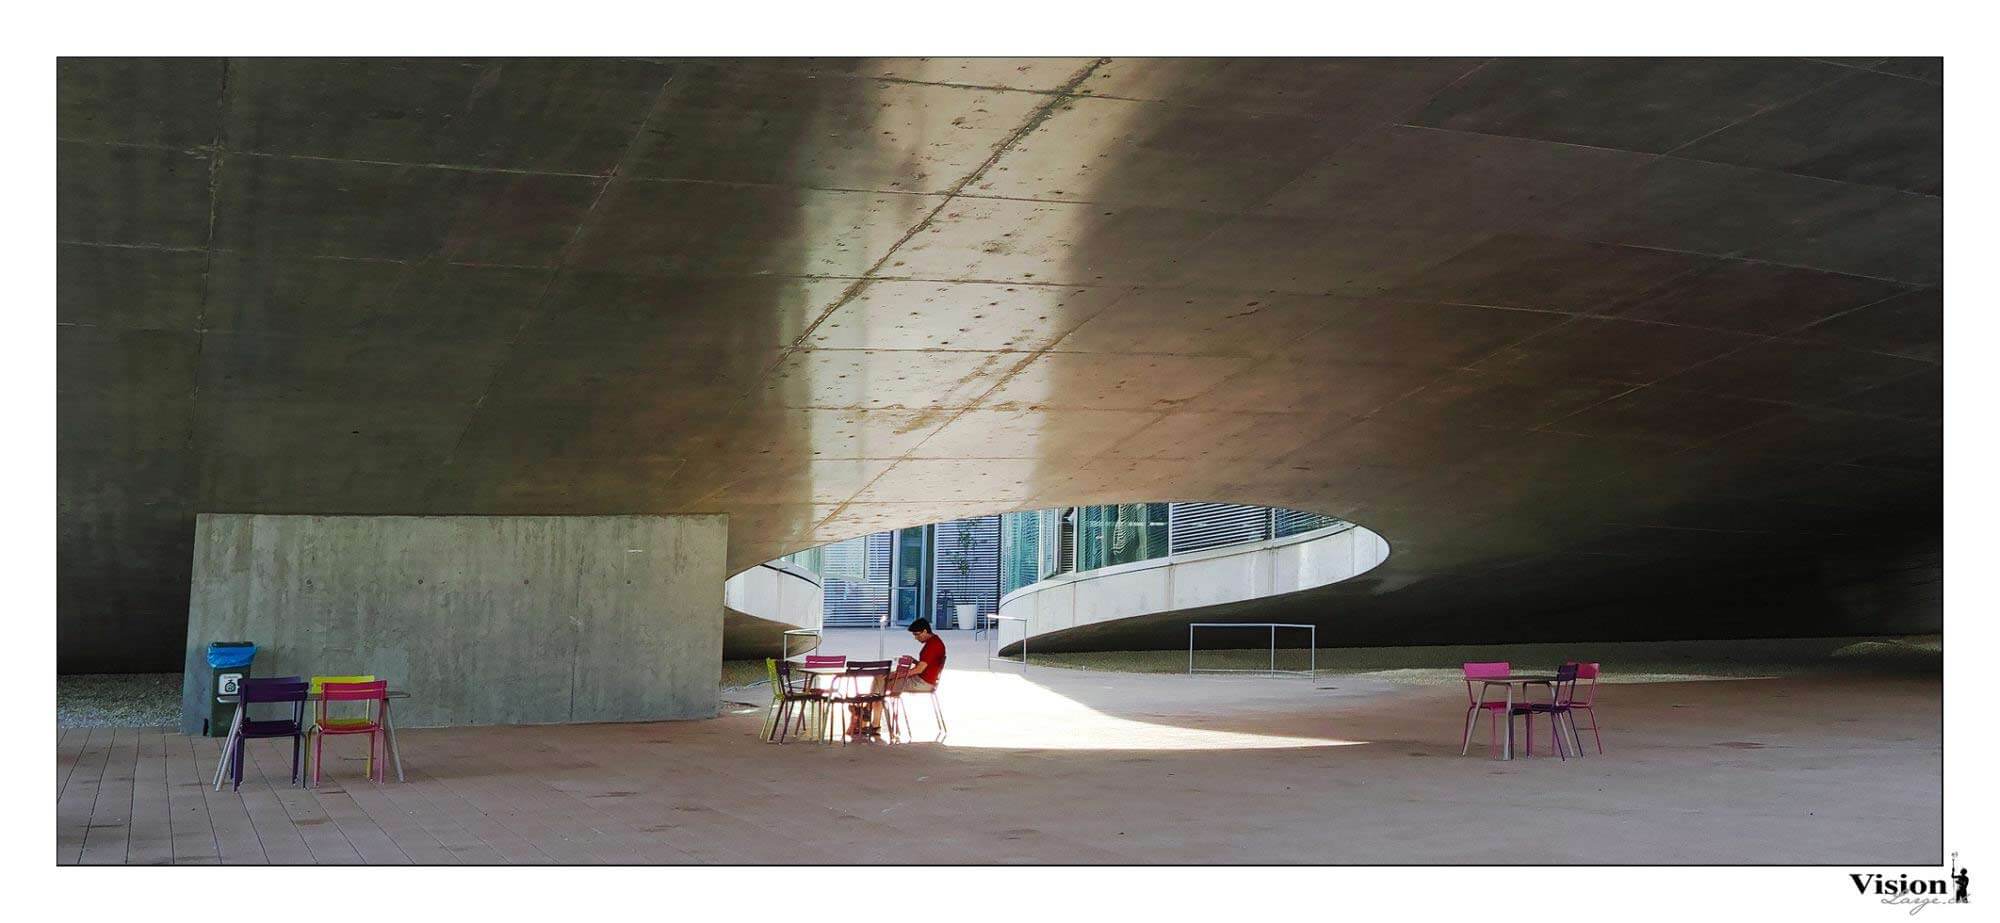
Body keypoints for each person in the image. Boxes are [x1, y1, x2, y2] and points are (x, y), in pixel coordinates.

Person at [899, 617, 946, 692]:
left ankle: (876, 702)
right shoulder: (935, 641)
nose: (916, 638)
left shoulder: (932, 646)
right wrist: (914, 661)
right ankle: (877, 702)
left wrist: (899, 675)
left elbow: (919, 670)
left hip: (922, 683)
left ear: (924, 631)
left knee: (882, 682)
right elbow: (928, 665)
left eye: (917, 634)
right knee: (882, 680)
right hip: (927, 680)